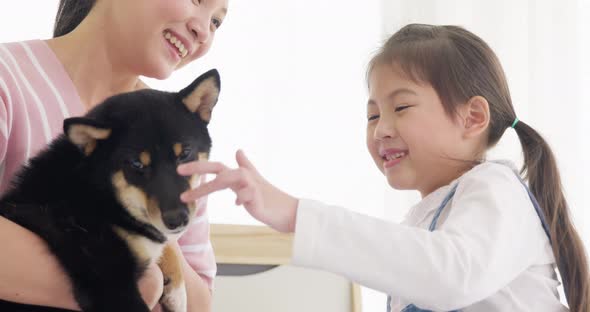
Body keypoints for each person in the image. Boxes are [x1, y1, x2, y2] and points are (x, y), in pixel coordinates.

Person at [178, 24, 590, 311]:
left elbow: (449, 275)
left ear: (473, 117)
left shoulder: (496, 186)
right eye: (373, 115)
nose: (382, 130)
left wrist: (294, 212)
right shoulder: (424, 219)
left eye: (402, 107)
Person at [0, 0, 228, 310]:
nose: (203, 30)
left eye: (216, 22)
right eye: (195, 0)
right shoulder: (8, 80)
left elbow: (198, 303)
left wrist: (161, 245)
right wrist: (133, 286)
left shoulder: (178, 137)